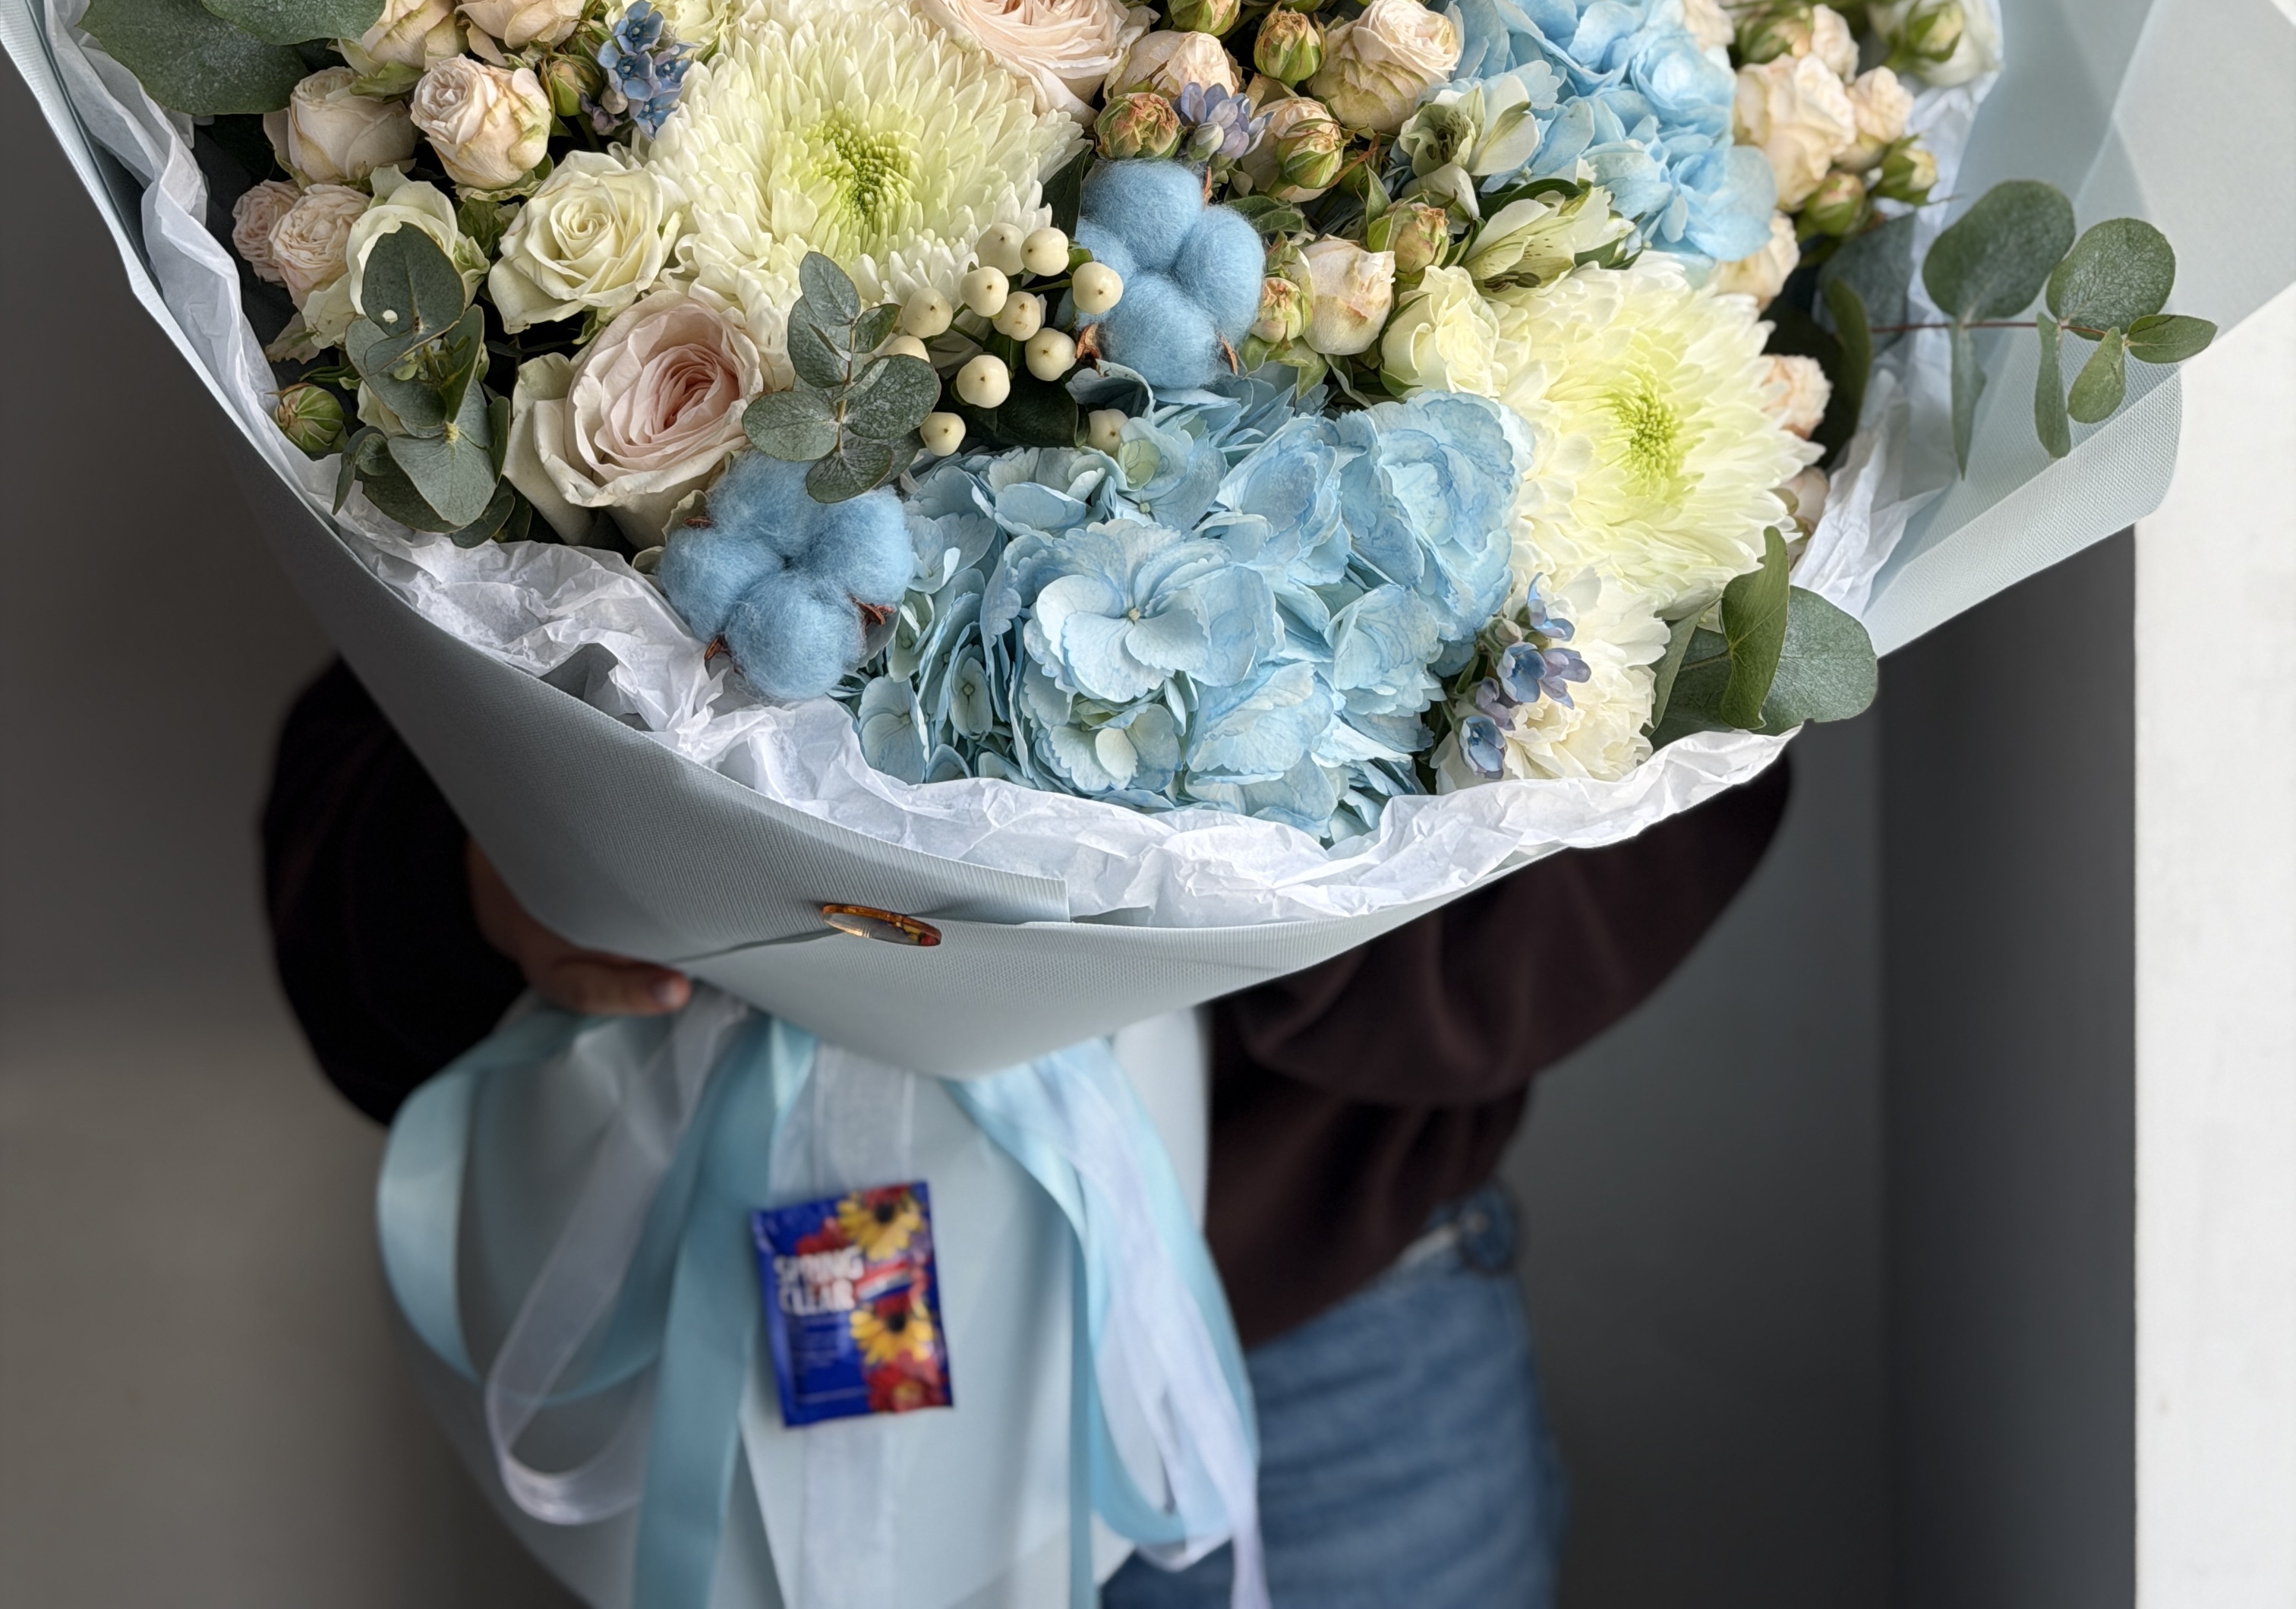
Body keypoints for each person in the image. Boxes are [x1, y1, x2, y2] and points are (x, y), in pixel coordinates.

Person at [263, 662, 1785, 1609]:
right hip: (724, 1337)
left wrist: (1250, 890)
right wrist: (496, 876)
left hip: (1318, 1341)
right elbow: (386, 737)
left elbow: (1679, 787)